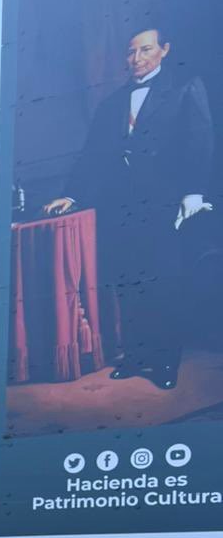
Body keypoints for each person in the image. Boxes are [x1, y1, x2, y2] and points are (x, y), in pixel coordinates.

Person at [43, 25, 213, 390]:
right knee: (128, 284)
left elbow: (200, 142)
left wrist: (193, 193)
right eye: (131, 52)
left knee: (164, 285)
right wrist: (71, 195)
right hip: (119, 208)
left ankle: (165, 362)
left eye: (146, 50)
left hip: (165, 205)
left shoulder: (185, 88)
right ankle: (136, 357)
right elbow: (91, 155)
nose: (137, 58)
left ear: (164, 50)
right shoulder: (112, 104)